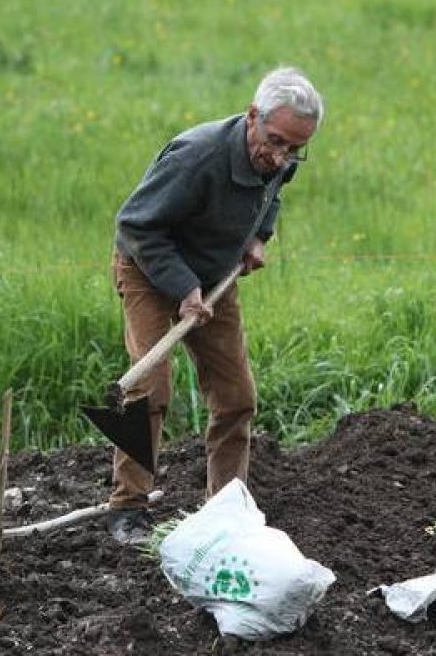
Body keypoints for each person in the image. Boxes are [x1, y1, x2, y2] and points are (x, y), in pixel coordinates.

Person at [104, 66, 324, 544]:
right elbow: (137, 226)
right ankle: (127, 507)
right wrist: (183, 288)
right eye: (275, 140)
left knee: (236, 397)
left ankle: (225, 505)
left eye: (294, 148)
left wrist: (259, 237)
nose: (281, 156)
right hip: (148, 267)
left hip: (213, 277)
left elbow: (273, 194)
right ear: (252, 117)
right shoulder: (196, 156)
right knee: (150, 389)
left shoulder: (278, 155)